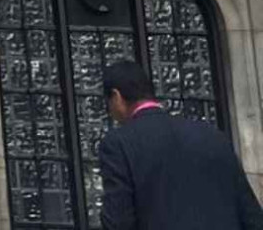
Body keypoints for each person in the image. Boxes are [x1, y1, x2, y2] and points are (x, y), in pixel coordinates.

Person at [97, 59, 263, 229]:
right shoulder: (213, 136)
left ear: (116, 97)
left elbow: (118, 221)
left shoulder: (118, 144)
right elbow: (251, 216)